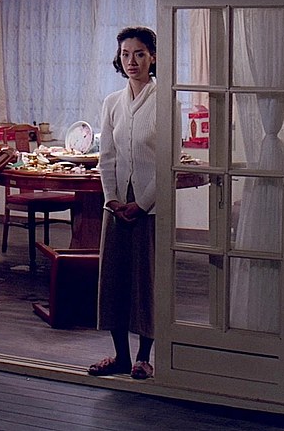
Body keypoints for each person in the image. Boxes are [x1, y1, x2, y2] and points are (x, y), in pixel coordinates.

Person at [88, 26, 157, 380]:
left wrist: (141, 204)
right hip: (116, 206)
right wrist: (112, 200)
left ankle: (144, 358)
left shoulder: (166, 100)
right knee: (113, 279)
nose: (132, 61)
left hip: (149, 206)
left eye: (139, 54)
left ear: (152, 58)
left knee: (146, 282)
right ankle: (120, 357)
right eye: (126, 54)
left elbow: (168, 161)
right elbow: (107, 156)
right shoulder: (112, 102)